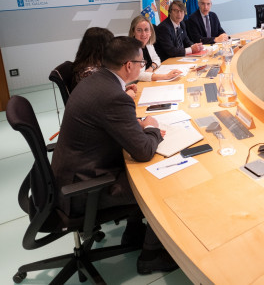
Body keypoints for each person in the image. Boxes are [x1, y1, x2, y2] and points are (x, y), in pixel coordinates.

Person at [51, 36, 178, 275]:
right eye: (141, 63)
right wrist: (150, 126)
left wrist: (135, 124)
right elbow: (143, 151)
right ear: (128, 66)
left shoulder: (97, 81)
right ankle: (151, 254)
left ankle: (133, 233)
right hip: (83, 189)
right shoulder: (114, 96)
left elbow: (108, 121)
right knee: (161, 178)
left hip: (68, 173)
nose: (143, 66)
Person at [128, 15, 181, 81]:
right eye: (139, 30)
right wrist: (166, 76)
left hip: (148, 80)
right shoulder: (130, 49)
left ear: (150, 32)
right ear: (133, 32)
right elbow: (139, 75)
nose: (143, 34)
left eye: (146, 30)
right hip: (135, 85)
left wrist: (151, 68)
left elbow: (157, 59)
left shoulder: (148, 44)